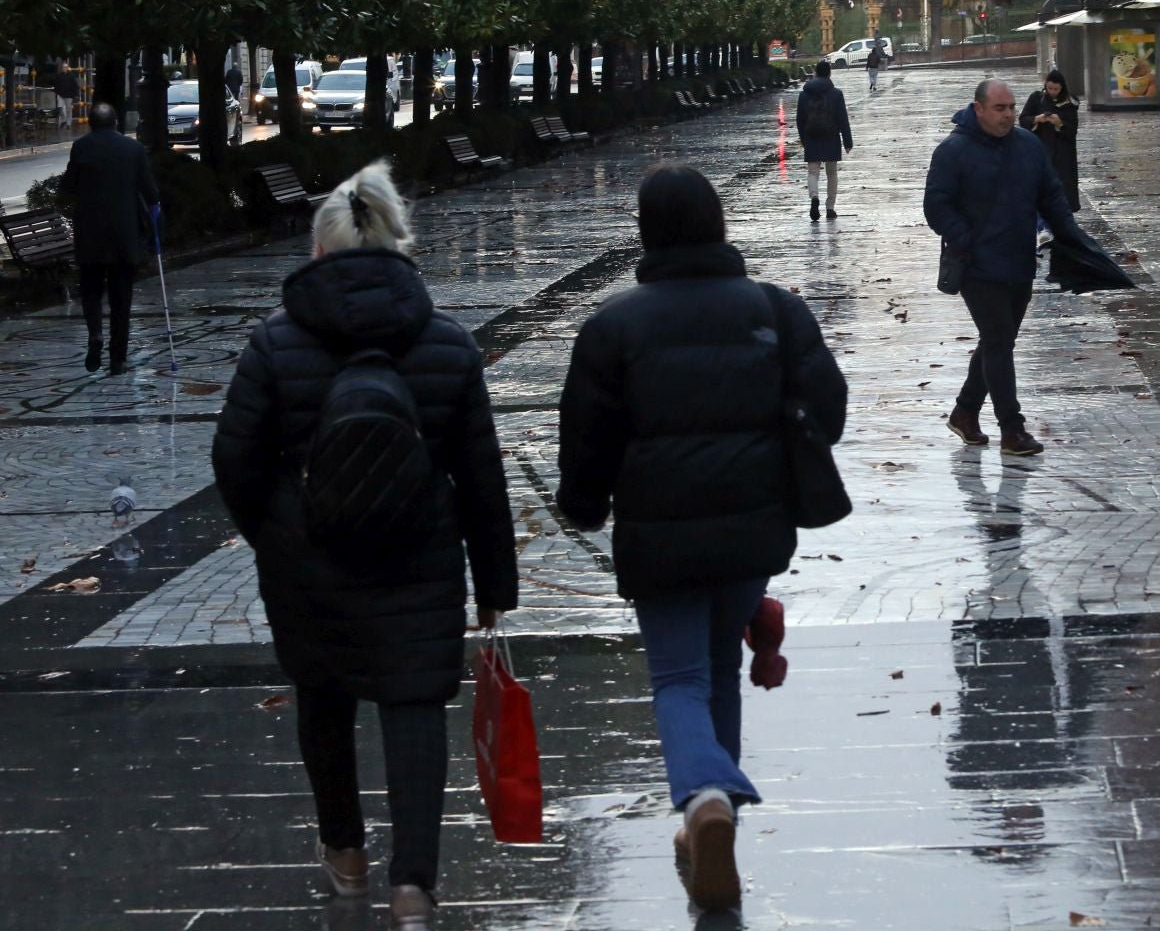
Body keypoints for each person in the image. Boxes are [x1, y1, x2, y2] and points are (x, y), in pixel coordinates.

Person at [210, 162, 519, 929]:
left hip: (308, 561)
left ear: (319, 252)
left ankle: (345, 854)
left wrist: (276, 535)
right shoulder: (444, 342)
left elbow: (235, 458)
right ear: (397, 243)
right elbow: (481, 473)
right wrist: (496, 585)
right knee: (414, 706)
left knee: (323, 697)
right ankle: (413, 884)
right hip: (420, 558)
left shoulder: (275, 344)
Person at [557, 163, 846, 913]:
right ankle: (712, 829)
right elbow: (829, 407)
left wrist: (584, 507)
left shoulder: (613, 326)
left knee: (679, 678)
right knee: (718, 669)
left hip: (660, 537)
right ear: (718, 222)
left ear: (646, 232)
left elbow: (585, 442)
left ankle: (701, 800)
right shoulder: (775, 311)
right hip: (754, 530)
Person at [924, 78, 1096, 456]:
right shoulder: (953, 151)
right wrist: (964, 237)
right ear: (978, 108)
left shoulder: (1027, 145)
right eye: (999, 109)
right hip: (976, 266)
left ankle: (965, 413)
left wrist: (1072, 238)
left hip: (1019, 260)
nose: (1007, 115)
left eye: (1011, 108)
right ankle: (1012, 430)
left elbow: (1050, 194)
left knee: (997, 341)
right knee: (1000, 340)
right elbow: (936, 205)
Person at [64, 103, 160, 375]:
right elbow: (151, 193)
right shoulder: (133, 149)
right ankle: (118, 359)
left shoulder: (81, 147)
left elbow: (68, 187)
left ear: (90, 124)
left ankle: (95, 333)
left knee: (91, 291)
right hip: (123, 235)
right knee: (121, 299)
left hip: (90, 233)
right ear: (116, 123)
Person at [796, 58, 852, 221]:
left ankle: (814, 198)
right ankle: (830, 208)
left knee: (813, 172)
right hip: (831, 136)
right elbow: (843, 119)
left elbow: (800, 119)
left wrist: (804, 139)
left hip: (811, 136)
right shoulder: (836, 94)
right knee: (831, 173)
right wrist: (847, 142)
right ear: (829, 73)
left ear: (815, 73)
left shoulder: (804, 94)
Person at [1018, 68, 1080, 213]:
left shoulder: (1070, 103)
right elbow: (1023, 119)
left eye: (1056, 89)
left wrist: (1059, 123)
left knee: (1062, 187)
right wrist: (1037, 119)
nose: (1052, 91)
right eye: (1049, 88)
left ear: (1062, 87)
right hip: (1041, 149)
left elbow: (1072, 131)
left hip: (1063, 154)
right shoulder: (1036, 98)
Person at [52, 60, 80, 132]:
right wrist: (56, 92)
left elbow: (75, 86)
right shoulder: (59, 76)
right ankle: (64, 120)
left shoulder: (71, 76)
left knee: (68, 110)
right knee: (60, 108)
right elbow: (56, 84)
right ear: (62, 68)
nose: (64, 68)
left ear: (67, 68)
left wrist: (76, 94)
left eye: (65, 67)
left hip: (69, 95)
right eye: (63, 67)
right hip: (60, 95)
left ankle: (68, 123)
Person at [224, 60, 245, 145]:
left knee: (231, 98)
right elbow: (241, 80)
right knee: (234, 100)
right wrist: (239, 85)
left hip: (230, 87)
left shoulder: (229, 71)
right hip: (236, 88)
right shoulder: (239, 72)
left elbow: (226, 79)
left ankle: (233, 110)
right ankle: (234, 111)